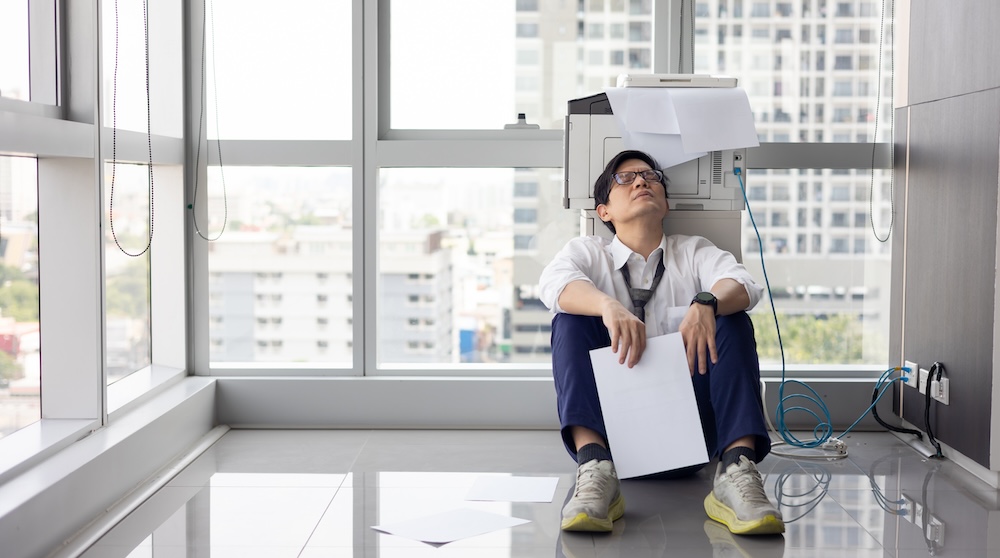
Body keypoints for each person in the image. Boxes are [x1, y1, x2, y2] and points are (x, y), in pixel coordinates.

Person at [539, 149, 784, 536]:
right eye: (626, 179)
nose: (641, 182)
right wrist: (608, 307)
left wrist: (706, 302)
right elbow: (552, 285)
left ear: (665, 203)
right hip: (614, 440)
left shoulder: (694, 251)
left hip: (694, 435)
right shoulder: (588, 252)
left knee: (731, 317)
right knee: (570, 318)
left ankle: (737, 470)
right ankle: (593, 468)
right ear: (604, 211)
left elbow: (744, 284)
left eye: (651, 177)